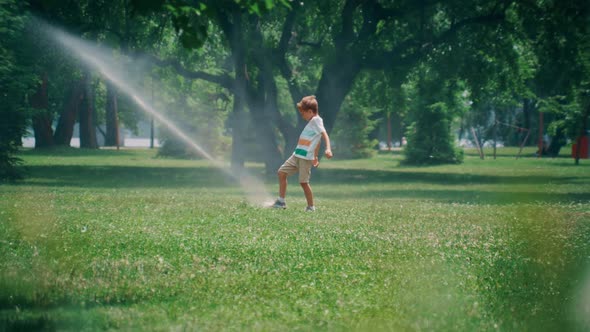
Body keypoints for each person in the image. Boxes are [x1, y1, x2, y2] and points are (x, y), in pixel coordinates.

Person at [272, 95, 333, 211]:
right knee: (281, 173)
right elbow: (317, 140)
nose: (302, 116)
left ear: (310, 111)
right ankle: (281, 201)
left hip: (305, 158)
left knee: (304, 182)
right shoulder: (312, 122)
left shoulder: (316, 120)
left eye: (303, 113)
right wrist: (315, 156)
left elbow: (324, 135)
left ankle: (311, 207)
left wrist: (328, 148)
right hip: (297, 154)